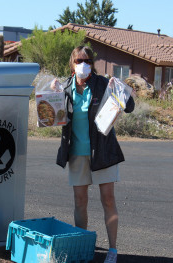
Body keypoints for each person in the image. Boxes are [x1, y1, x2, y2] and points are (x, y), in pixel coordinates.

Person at [54, 46, 135, 263]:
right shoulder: (64, 88)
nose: (84, 64)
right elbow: (50, 115)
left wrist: (119, 88)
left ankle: (113, 250)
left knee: (108, 199)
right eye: (80, 60)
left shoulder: (101, 84)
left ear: (93, 63)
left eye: (88, 61)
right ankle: (83, 247)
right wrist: (50, 93)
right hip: (77, 153)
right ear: (72, 63)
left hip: (103, 151)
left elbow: (130, 106)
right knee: (80, 201)